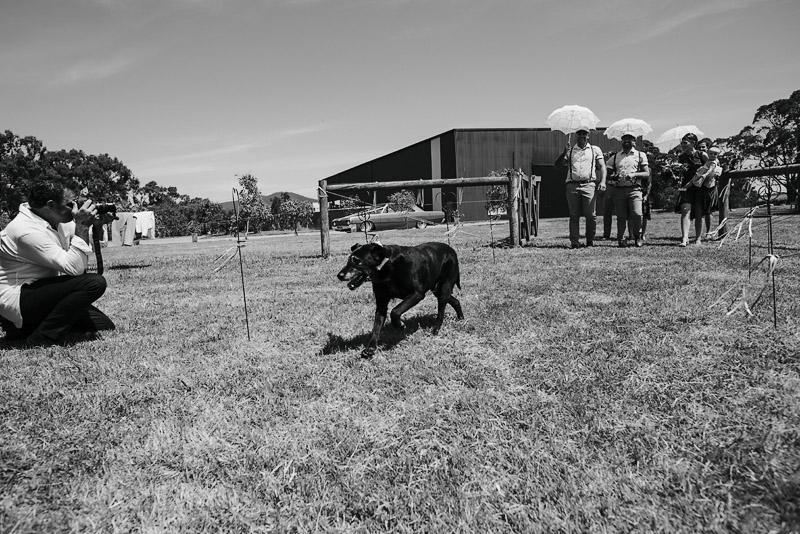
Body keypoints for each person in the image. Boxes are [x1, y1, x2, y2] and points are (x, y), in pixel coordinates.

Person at [0, 181, 115, 346]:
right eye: (70, 204)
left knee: (104, 326)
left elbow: (77, 244)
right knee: (94, 283)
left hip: (40, 290)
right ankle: (40, 338)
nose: (76, 208)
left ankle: (27, 328)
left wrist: (94, 225)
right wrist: (82, 225)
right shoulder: (25, 230)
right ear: (50, 205)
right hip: (18, 298)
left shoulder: (56, 219)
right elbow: (75, 268)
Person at [555, 129, 607, 248]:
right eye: (580, 134)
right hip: (572, 185)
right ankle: (574, 242)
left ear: (588, 136)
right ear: (576, 136)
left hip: (589, 184)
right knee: (574, 215)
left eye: (585, 134)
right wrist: (564, 153)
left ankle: (590, 240)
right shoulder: (571, 150)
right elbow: (557, 165)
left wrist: (603, 181)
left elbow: (602, 166)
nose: (582, 136)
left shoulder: (595, 150)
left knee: (591, 215)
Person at [605, 133, 650, 247]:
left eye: (630, 139)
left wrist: (634, 174)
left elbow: (646, 173)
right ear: (621, 141)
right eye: (624, 139)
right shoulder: (615, 157)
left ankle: (637, 236)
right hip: (619, 189)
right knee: (621, 216)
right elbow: (607, 174)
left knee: (637, 214)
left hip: (635, 189)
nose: (627, 141)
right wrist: (614, 176)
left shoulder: (640, 155)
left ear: (634, 142)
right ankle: (621, 238)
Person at [675, 133, 706, 247]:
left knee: (698, 212)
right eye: (681, 143)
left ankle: (698, 238)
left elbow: (712, 166)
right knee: (685, 209)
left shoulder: (702, 155)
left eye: (685, 143)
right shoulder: (681, 157)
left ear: (693, 143)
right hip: (685, 186)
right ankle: (685, 238)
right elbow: (680, 173)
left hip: (699, 187)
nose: (682, 145)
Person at [689, 141, 722, 244]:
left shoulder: (714, 161)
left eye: (703, 147)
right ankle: (698, 237)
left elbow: (715, 171)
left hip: (710, 187)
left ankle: (709, 233)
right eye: (699, 147)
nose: (701, 149)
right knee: (698, 212)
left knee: (709, 211)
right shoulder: (697, 158)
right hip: (699, 187)